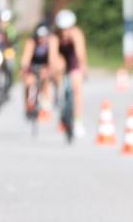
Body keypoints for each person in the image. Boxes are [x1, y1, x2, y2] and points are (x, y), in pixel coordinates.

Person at [54, 9, 88, 138]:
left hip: (73, 59)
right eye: (62, 29)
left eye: (67, 29)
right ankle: (59, 92)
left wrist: (83, 68)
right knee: (59, 65)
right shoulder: (54, 36)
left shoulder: (77, 34)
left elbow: (80, 53)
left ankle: (78, 121)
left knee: (77, 86)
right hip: (61, 58)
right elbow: (53, 55)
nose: (64, 32)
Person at [20, 21, 58, 117]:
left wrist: (49, 69)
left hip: (46, 64)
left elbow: (52, 58)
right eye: (39, 37)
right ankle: (28, 104)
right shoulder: (31, 41)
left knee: (45, 77)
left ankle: (46, 102)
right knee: (28, 81)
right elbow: (26, 58)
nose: (41, 39)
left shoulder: (52, 40)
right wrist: (24, 69)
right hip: (34, 65)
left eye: (43, 37)